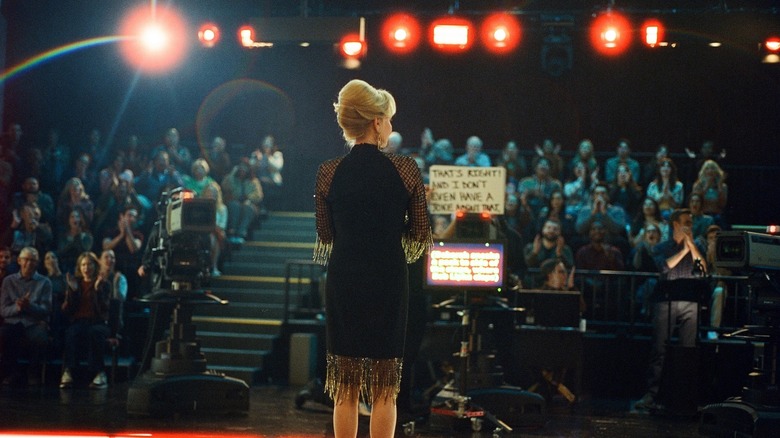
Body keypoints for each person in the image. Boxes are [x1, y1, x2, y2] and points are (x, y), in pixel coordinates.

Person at [313, 79, 431, 438]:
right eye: (389, 119)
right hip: (388, 278)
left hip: (345, 277)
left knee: (345, 387)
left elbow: (326, 235)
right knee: (384, 388)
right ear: (377, 122)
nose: (391, 126)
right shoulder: (406, 169)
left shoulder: (328, 171)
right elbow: (419, 234)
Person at [635, 208, 707, 410]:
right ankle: (652, 394)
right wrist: (684, 250)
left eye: (691, 223)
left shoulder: (696, 247)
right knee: (659, 350)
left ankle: (685, 396)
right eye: (686, 222)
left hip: (690, 301)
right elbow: (666, 269)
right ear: (675, 224)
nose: (690, 226)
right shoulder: (662, 247)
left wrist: (692, 247)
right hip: (666, 301)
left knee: (688, 351)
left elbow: (704, 270)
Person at [0, 247, 52, 386]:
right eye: (26, 259)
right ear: (19, 261)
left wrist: (29, 307)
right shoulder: (8, 281)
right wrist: (18, 307)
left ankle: (33, 373)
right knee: (5, 334)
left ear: (37, 263)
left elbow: (46, 310)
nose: (29, 263)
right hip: (13, 321)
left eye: (33, 260)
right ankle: (12, 373)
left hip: (33, 322)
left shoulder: (45, 282)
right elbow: (3, 310)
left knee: (39, 337)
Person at [60, 251, 111, 389]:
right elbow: (69, 310)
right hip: (79, 321)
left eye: (89, 264)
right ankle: (69, 371)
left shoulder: (104, 284)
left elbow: (104, 310)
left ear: (95, 266)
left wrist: (97, 290)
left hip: (98, 322)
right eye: (83, 265)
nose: (86, 268)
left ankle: (99, 373)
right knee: (72, 332)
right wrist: (74, 292)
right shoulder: (75, 283)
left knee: (94, 333)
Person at [221, 160, 264, 244]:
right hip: (234, 202)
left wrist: (248, 198)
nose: (242, 171)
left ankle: (241, 233)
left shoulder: (254, 181)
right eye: (240, 169)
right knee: (234, 206)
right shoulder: (232, 179)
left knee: (248, 208)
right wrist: (232, 173)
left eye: (244, 169)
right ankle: (232, 231)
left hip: (248, 203)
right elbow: (224, 186)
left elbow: (259, 195)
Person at [691, 159, 728, 227]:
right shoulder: (698, 185)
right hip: (702, 214)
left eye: (712, 169)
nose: (710, 171)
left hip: (716, 214)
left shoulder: (723, 186)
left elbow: (722, 204)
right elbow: (695, 201)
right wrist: (706, 187)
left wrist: (720, 188)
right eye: (707, 169)